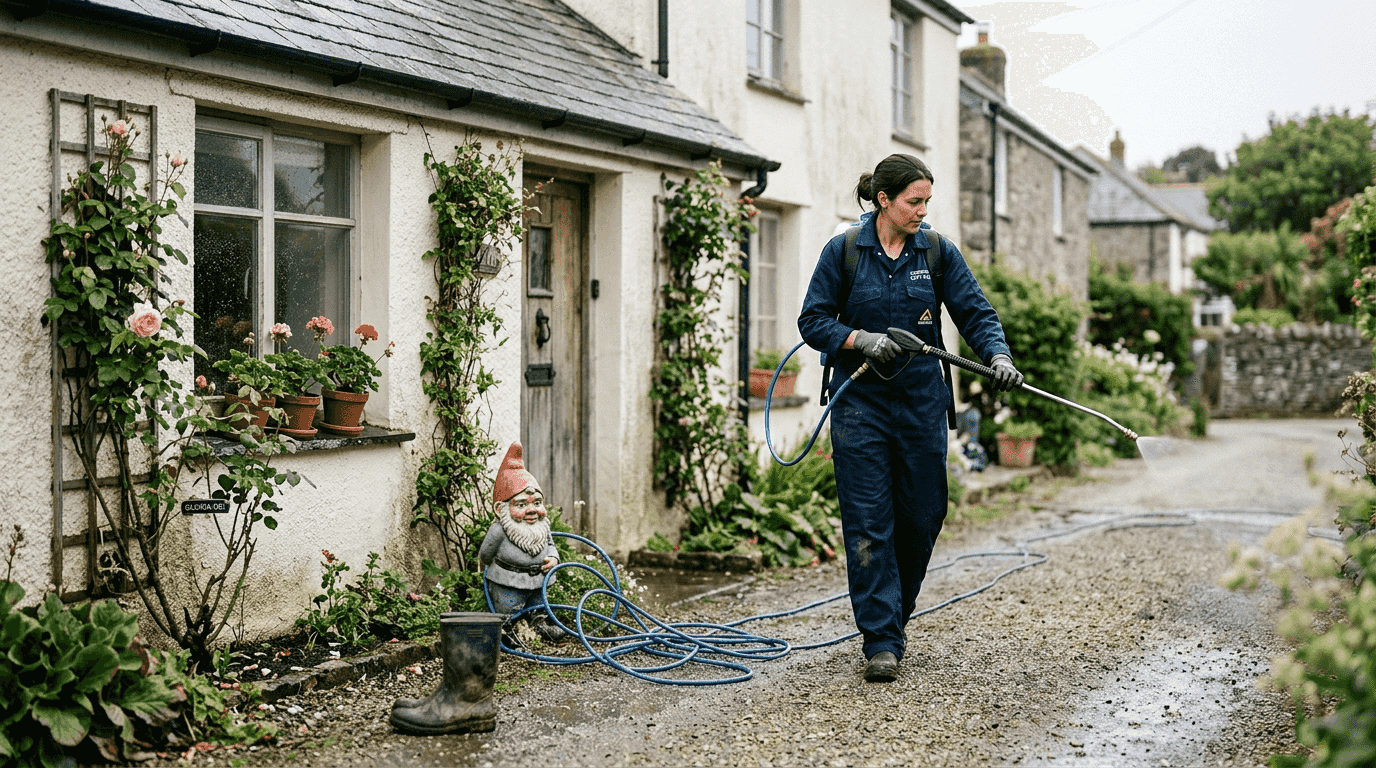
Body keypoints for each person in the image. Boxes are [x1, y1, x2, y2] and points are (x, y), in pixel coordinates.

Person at [797, 153, 1023, 683]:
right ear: (884, 201)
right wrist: (859, 339)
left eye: (926, 201)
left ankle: (892, 618)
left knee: (923, 515)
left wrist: (999, 356)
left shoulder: (938, 252)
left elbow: (975, 312)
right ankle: (880, 639)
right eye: (913, 201)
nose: (923, 210)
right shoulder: (845, 251)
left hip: (921, 405)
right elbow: (812, 320)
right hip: (861, 408)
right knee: (869, 521)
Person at [479, 442, 560, 619]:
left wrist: (553, 557)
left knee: (540, 609)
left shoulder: (541, 526)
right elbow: (485, 555)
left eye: (537, 503)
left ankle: (539, 625)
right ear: (501, 509)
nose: (532, 510)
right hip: (509, 581)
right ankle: (509, 629)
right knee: (508, 611)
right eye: (522, 504)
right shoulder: (500, 530)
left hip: (539, 581)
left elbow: (550, 544)